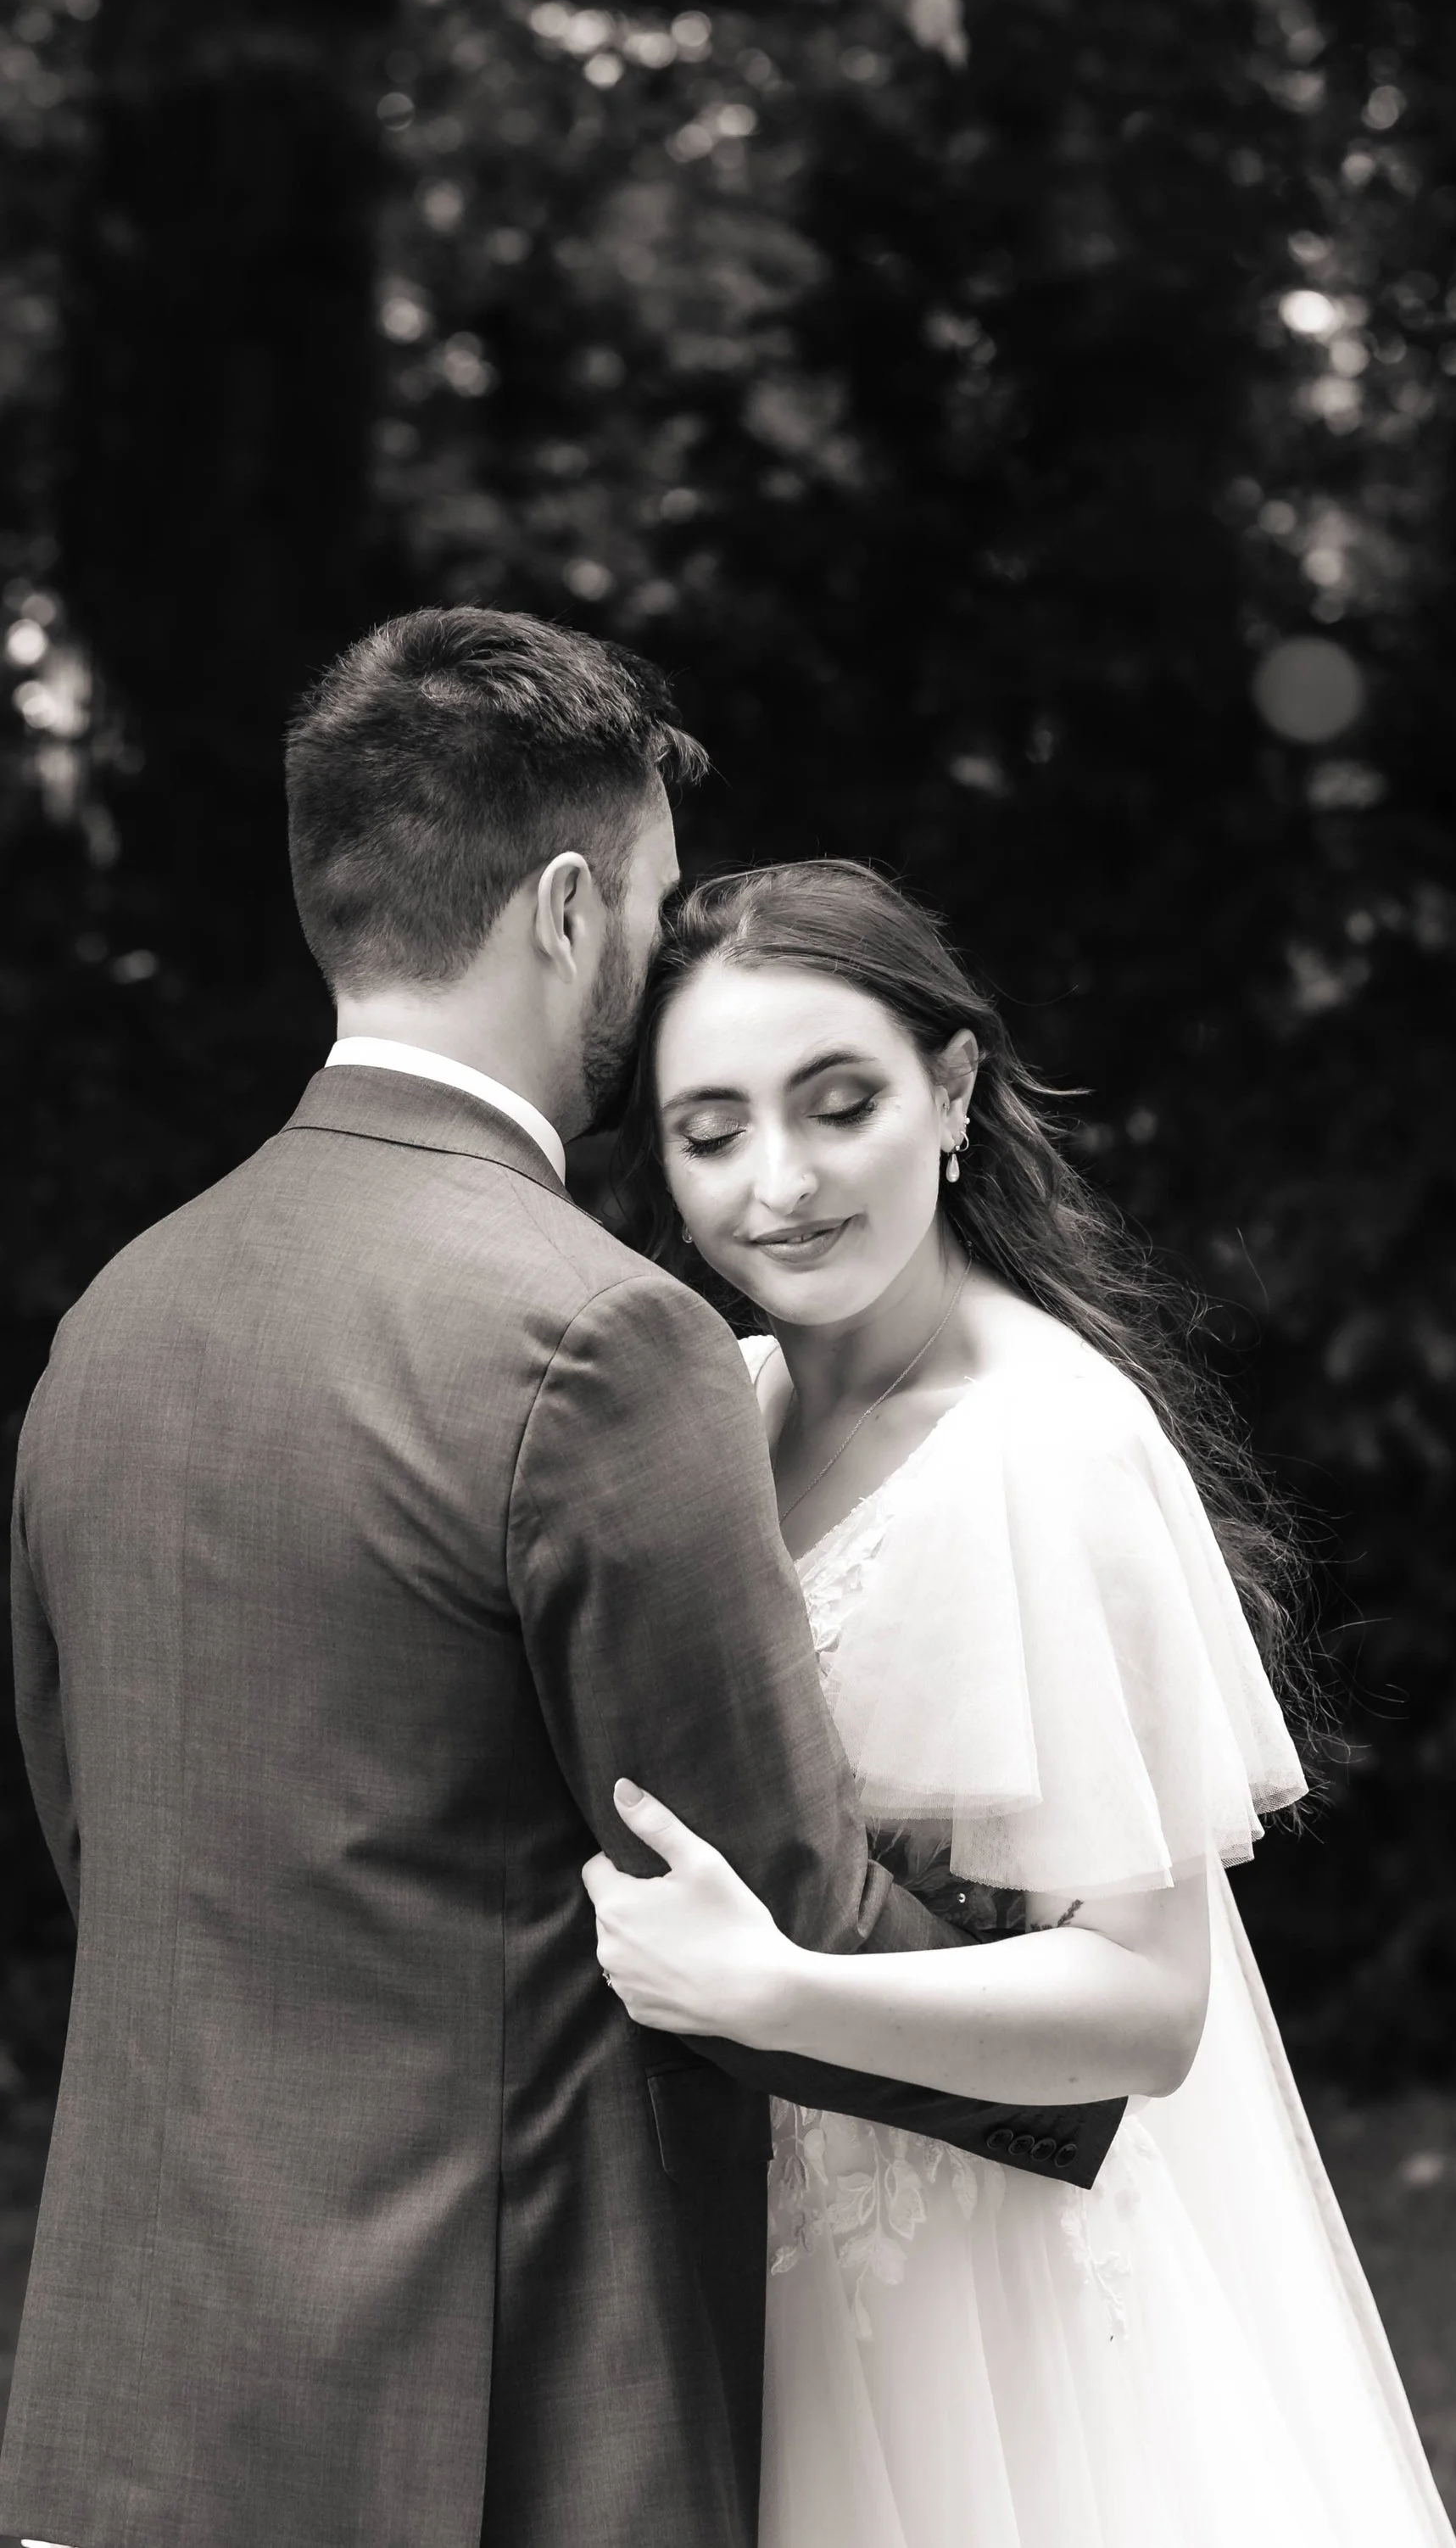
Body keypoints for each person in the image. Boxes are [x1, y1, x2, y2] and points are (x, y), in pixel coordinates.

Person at [2, 610, 1101, 2548]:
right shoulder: (593, 1338)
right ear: (569, 904)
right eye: (659, 905)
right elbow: (770, 1920)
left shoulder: (114, 1319)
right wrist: (1085, 2059)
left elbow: (111, 1842)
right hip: (503, 2408)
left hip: (132, 2401)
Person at [586, 858, 1456, 2548]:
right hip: (783, 2251)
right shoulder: (741, 1403)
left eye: (836, 1105)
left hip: (988, 2288)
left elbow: (1142, 2004)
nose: (779, 1182)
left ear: (952, 1092)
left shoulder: (1039, 1444)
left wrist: (763, 1988)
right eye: (710, 1132)